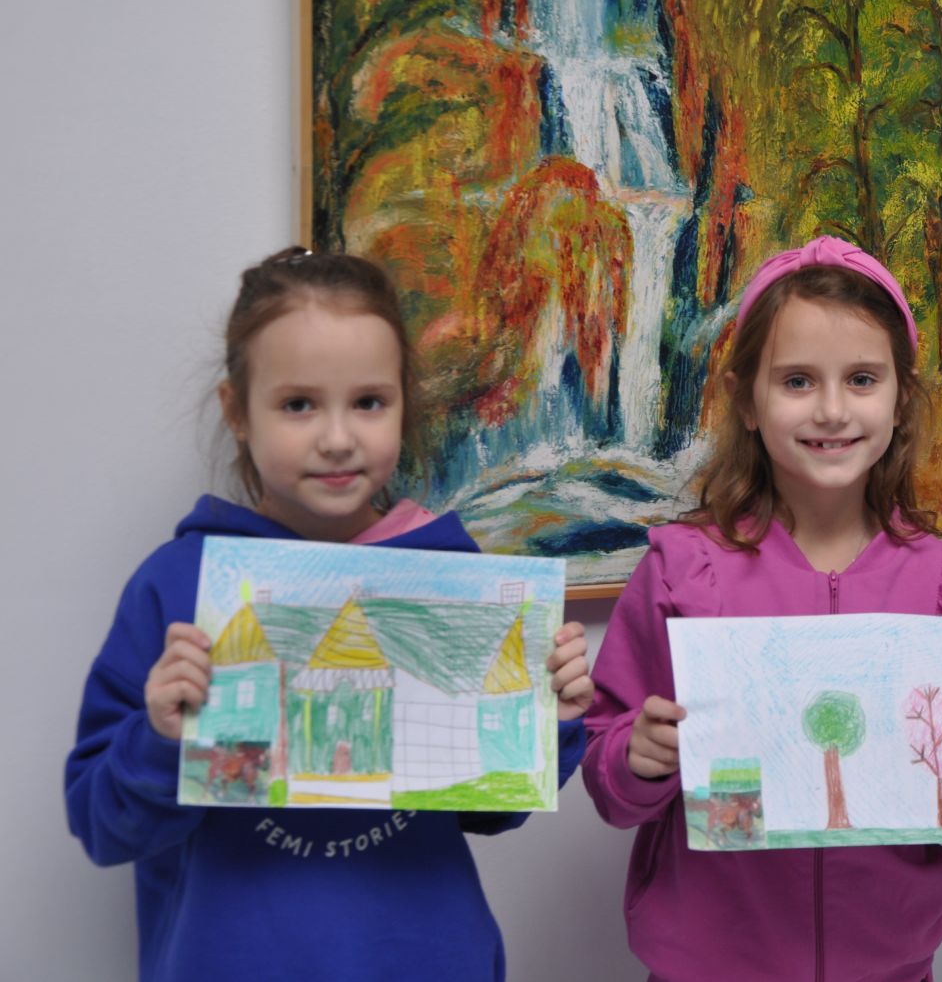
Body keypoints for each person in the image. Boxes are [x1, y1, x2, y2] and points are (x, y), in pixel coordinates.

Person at [65, 247, 595, 982]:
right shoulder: (176, 584)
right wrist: (159, 737)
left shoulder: (455, 576)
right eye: (299, 404)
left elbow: (490, 811)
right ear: (237, 411)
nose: (338, 437)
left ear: (405, 404)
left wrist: (548, 721)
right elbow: (102, 826)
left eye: (369, 402)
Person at [582, 236, 942, 981]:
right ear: (747, 400)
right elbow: (609, 775)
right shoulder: (683, 572)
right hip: (709, 966)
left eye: (862, 379)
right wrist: (636, 758)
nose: (832, 410)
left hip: (892, 967)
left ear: (901, 399)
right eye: (798, 381)